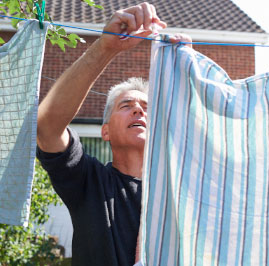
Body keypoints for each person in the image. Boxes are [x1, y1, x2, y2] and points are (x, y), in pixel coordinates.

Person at [37, 2, 191, 265]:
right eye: (126, 105)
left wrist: (190, 75)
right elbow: (46, 126)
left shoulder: (181, 191)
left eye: (145, 108)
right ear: (105, 131)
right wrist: (106, 47)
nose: (139, 112)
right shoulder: (89, 182)